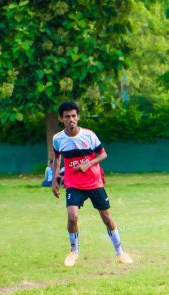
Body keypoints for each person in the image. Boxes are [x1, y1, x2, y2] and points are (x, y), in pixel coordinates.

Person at [51, 101, 133, 267]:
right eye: (67, 117)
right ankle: (74, 251)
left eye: (73, 116)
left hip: (94, 183)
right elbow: (57, 159)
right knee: (72, 216)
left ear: (78, 117)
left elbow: (103, 155)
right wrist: (54, 180)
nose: (71, 119)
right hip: (73, 183)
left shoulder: (89, 135)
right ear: (61, 119)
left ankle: (120, 253)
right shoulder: (58, 139)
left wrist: (88, 164)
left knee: (107, 217)